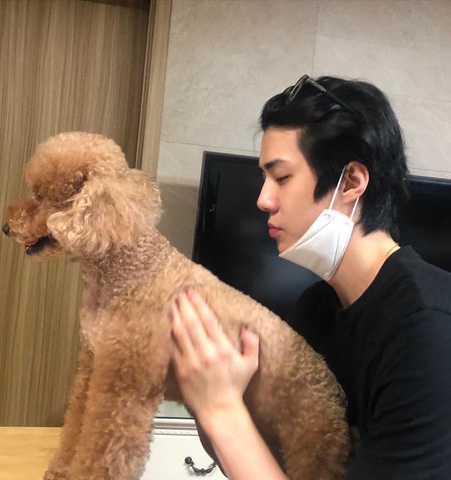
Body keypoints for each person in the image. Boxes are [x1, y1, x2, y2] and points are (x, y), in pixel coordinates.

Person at [170, 75, 451, 479]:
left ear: (351, 182)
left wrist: (221, 407)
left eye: (282, 178)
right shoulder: (315, 310)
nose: (263, 199)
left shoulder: (427, 328)